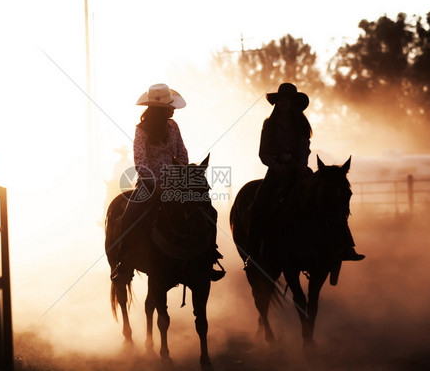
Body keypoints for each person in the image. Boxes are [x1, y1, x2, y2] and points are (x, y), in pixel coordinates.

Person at [111, 83, 225, 284]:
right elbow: (141, 162)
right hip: (149, 183)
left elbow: (181, 153)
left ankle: (208, 256)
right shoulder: (142, 131)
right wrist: (157, 183)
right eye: (169, 106)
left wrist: (181, 175)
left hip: (175, 180)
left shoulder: (173, 127)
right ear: (161, 109)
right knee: (130, 215)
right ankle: (124, 263)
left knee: (207, 210)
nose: (173, 110)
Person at [244, 83, 364, 269]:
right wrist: (277, 166)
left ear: (293, 103)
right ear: (278, 102)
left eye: (288, 100)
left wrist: (300, 164)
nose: (284, 103)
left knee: (330, 202)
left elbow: (304, 148)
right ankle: (253, 255)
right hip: (276, 172)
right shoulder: (269, 124)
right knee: (257, 206)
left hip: (299, 170)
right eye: (281, 99)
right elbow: (263, 153)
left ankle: (345, 247)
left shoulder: (300, 125)